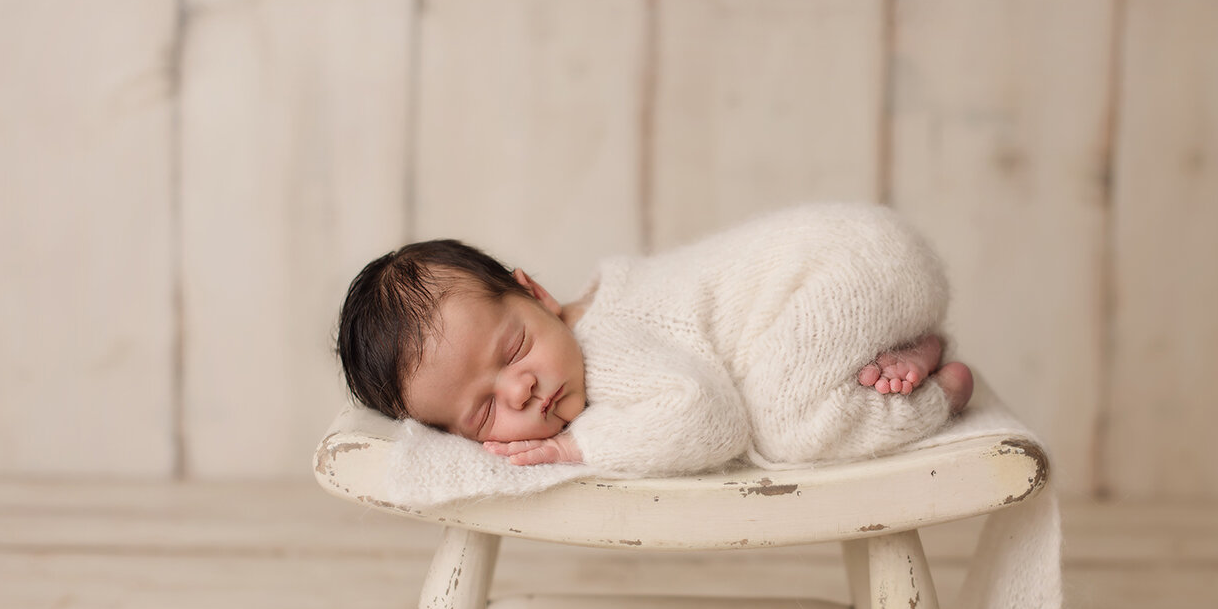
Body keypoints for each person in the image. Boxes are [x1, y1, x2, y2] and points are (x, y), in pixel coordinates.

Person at [336, 204, 974, 476]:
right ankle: (900, 346)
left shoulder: (604, 346)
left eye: (512, 352)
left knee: (782, 427)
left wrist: (578, 449)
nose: (520, 389)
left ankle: (935, 390)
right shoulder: (594, 312)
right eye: (484, 411)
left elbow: (710, 418)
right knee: (774, 378)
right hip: (864, 265)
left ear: (536, 295)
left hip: (855, 268)